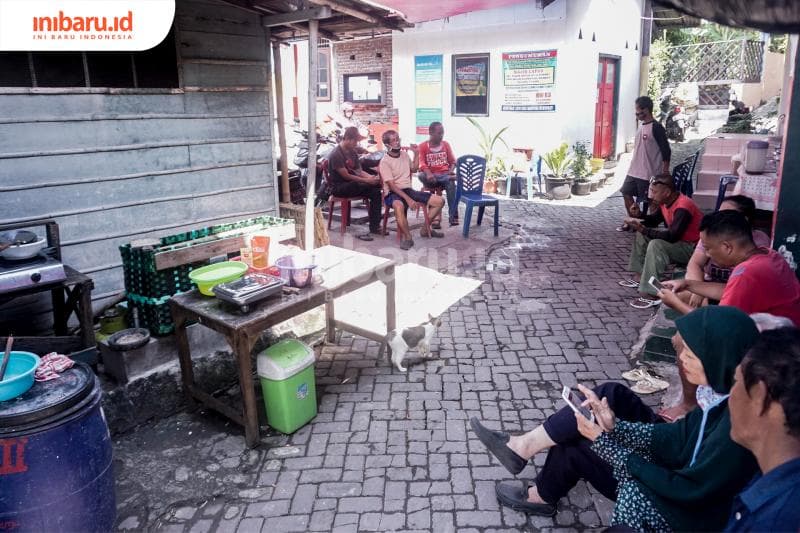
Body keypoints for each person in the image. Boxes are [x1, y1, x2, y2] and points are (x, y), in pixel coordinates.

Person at [470, 306, 759, 531]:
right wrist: (614, 426)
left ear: (719, 361)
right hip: (676, 482)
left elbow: (688, 491)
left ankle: (535, 480)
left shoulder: (737, 426)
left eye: (691, 356)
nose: (681, 359)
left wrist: (605, 442)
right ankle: (531, 467)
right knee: (592, 416)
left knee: (596, 455)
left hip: (685, 512)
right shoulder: (719, 398)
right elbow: (675, 437)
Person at [659, 210, 800, 324]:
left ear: (727, 247)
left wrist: (676, 304)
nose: (706, 254)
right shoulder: (768, 254)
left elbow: (720, 325)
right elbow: (729, 290)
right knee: (685, 296)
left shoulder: (746, 273)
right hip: (785, 330)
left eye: (707, 248)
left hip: (778, 343)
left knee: (683, 339)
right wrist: (687, 284)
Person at [725, 327, 800, 532]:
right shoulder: (773, 481)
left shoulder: (774, 521)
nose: (730, 396)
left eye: (736, 382)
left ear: (759, 395)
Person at [619, 174, 703, 309]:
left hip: (692, 249)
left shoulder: (683, 206)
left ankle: (652, 292)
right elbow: (654, 221)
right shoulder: (666, 202)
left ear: (667, 192)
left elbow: (672, 236)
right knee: (642, 235)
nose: (651, 195)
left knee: (656, 245)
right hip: (681, 243)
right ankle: (640, 276)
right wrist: (639, 216)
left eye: (654, 192)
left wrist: (644, 229)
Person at [679, 195, 771, 310]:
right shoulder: (713, 234)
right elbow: (694, 264)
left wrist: (677, 304)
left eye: (726, 214)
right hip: (720, 289)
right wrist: (695, 288)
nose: (718, 217)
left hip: (734, 297)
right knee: (680, 293)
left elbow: (725, 311)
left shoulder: (749, 268)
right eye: (719, 212)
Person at [378, 130, 444, 250]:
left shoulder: (404, 155)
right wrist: (408, 200)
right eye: (394, 140)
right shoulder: (384, 162)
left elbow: (414, 169)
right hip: (392, 193)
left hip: (408, 190)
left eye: (398, 139)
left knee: (440, 201)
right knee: (399, 205)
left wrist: (417, 154)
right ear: (387, 145)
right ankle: (408, 237)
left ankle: (425, 229)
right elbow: (392, 186)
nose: (397, 142)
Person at [618, 96, 671, 231]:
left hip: (649, 173)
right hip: (634, 170)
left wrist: (664, 171)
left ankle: (649, 227)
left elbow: (666, 150)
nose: (636, 113)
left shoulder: (657, 127)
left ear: (646, 110)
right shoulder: (641, 126)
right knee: (626, 192)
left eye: (637, 110)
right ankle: (634, 221)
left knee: (652, 200)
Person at [327, 126, 383, 241]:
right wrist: (367, 181)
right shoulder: (336, 154)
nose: (356, 144)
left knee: (376, 191)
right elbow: (346, 176)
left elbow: (359, 171)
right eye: (355, 141)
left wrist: (372, 178)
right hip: (339, 187)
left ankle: (375, 227)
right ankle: (371, 183)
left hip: (352, 184)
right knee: (360, 184)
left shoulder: (352, 152)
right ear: (347, 138)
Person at [417, 122, 458, 227]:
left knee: (451, 184)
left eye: (442, 133)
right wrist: (429, 173)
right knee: (421, 175)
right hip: (430, 178)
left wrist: (451, 170)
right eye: (439, 133)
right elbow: (421, 163)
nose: (441, 135)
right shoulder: (422, 146)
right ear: (431, 133)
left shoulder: (446, 145)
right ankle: (448, 178)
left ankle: (453, 216)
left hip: (444, 175)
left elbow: (453, 161)